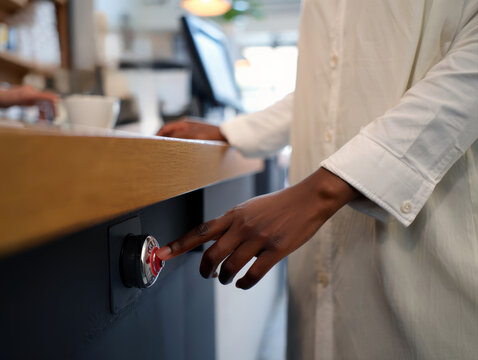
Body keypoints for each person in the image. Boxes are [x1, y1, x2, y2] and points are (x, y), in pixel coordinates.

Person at [157, 1, 478, 359]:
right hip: (317, 270)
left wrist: (322, 190)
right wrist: (233, 130)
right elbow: (325, 85)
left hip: (429, 242)